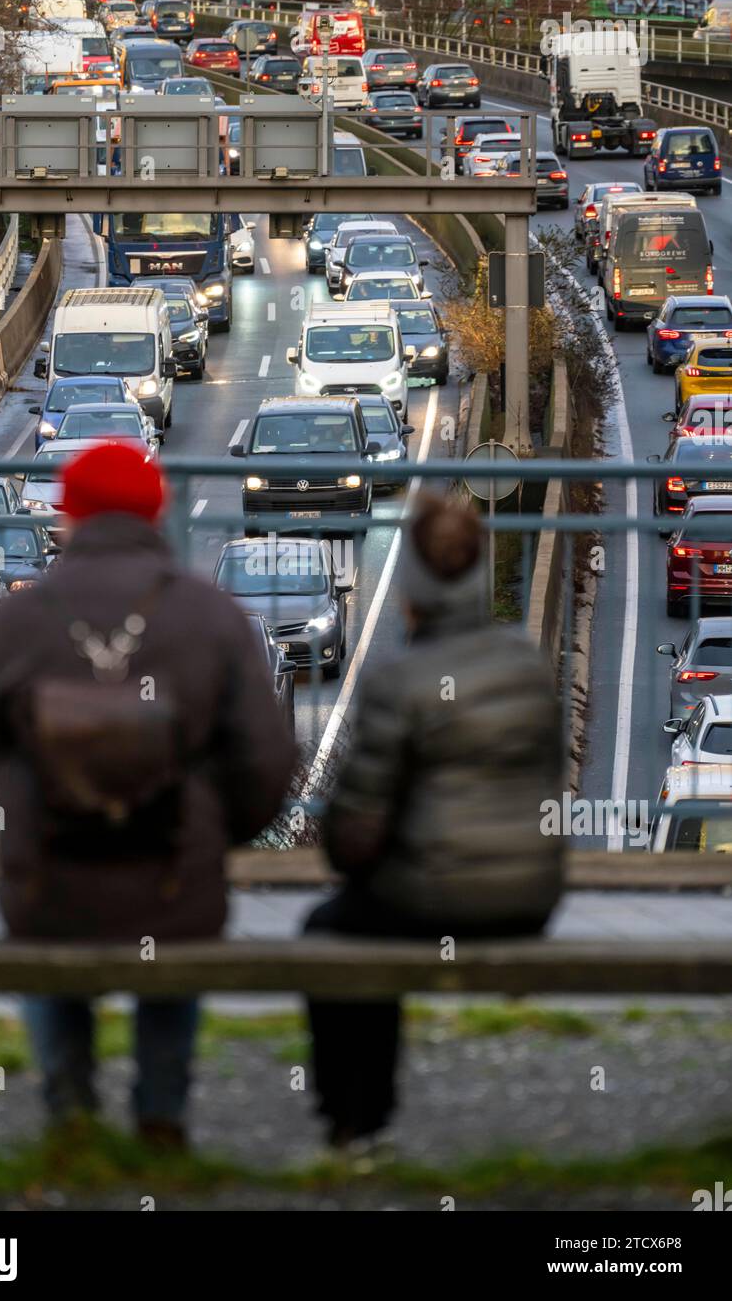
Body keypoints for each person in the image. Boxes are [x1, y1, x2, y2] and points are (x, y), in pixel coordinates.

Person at [0, 443, 295, 1150]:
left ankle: (70, 1112)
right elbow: (266, 765)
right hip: (177, 882)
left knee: (53, 959)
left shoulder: (19, 621)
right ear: (157, 512)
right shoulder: (210, 617)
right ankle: (161, 1117)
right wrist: (208, 830)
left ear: (69, 516)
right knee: (168, 969)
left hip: (47, 879)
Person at [304, 492, 564, 1150]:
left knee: (332, 930)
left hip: (433, 899)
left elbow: (354, 837)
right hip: (531, 897)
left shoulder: (400, 679)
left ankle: (356, 1117)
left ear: (410, 587)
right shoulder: (529, 668)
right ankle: (363, 1117)